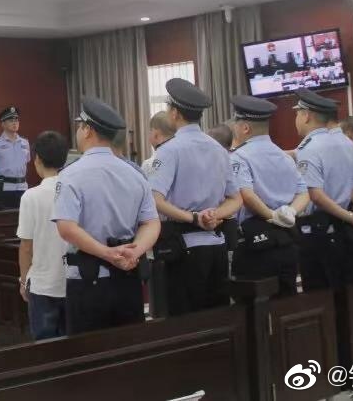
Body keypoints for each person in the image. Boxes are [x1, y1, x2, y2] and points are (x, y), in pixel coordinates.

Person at [53, 97, 160, 335]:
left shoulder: (71, 174)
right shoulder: (134, 173)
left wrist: (108, 254)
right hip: (128, 277)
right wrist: (135, 251)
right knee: (128, 347)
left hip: (87, 281)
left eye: (80, 126)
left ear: (87, 130)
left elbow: (66, 227)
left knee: (87, 351)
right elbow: (151, 222)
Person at [147, 78, 241, 316]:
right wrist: (214, 215)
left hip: (182, 248)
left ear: (175, 113)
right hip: (217, 245)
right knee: (217, 318)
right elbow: (236, 198)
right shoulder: (219, 149)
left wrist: (195, 217)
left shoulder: (169, 150)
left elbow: (155, 199)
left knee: (185, 323)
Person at [293, 90, 353, 291]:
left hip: (318, 231)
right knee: (348, 291)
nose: (296, 119)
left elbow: (315, 195)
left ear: (306, 115)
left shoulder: (309, 148)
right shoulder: (347, 144)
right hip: (345, 229)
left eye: (297, 113)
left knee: (321, 296)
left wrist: (351, 216)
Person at [228, 96, 308, 296]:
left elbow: (246, 194)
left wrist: (272, 216)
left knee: (253, 305)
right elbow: (304, 192)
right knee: (287, 303)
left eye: (236, 124)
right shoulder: (284, 156)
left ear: (245, 128)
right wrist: (289, 212)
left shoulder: (239, 157)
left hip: (255, 243)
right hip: (287, 240)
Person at [17, 131, 69, 340]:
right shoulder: (75, 189)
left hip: (42, 285)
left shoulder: (30, 196)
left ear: (37, 159)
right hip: (73, 281)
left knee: (45, 348)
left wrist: (23, 281)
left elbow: (26, 246)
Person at [0, 106, 30, 209]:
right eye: (11, 121)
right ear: (3, 124)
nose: (15, 123)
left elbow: (26, 163)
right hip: (5, 189)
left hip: (23, 188)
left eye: (16, 120)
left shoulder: (25, 142)